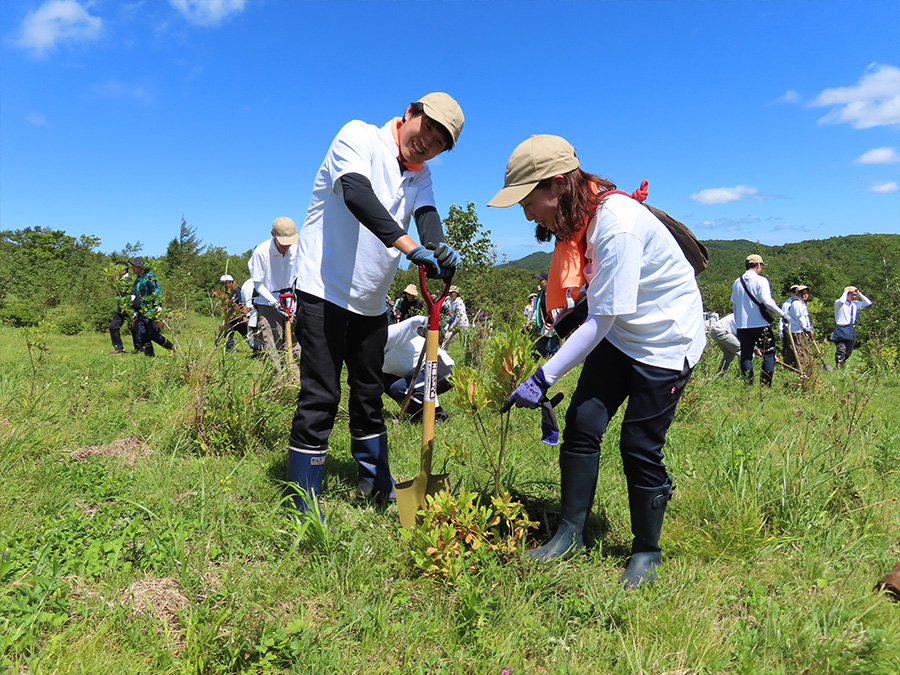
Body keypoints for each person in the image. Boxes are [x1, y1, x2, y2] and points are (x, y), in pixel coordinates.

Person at [490, 135, 705, 589]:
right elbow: (598, 310)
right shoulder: (581, 219)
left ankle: (647, 551)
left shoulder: (617, 224)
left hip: (665, 342)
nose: (527, 213)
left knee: (639, 446)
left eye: (527, 201)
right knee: (583, 424)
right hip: (622, 333)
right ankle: (570, 533)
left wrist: (542, 377)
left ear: (555, 185)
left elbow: (602, 320)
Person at [287, 93, 463, 514]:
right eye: (427, 129)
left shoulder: (420, 175)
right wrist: (409, 247)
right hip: (322, 290)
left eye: (439, 142)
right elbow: (355, 193)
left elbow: (427, 217)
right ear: (409, 114)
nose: (427, 143)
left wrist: (438, 249)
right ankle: (303, 502)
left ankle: (377, 484)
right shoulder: (359, 136)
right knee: (321, 395)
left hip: (370, 303)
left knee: (368, 394)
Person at [248, 217, 302, 377]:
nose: (286, 246)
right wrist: (275, 303)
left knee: (295, 343)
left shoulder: (296, 249)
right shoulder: (261, 252)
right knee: (273, 344)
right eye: (282, 242)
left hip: (290, 301)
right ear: (273, 234)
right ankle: (280, 382)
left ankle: (298, 380)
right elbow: (258, 284)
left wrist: (294, 302)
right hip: (268, 302)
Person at [383, 316, 453, 421]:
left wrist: (427, 322)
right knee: (381, 380)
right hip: (417, 376)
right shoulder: (364, 355)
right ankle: (419, 412)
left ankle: (438, 413)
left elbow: (414, 322)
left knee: (398, 388)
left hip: (441, 367)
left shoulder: (389, 334)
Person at [730, 254, 786, 385]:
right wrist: (783, 314)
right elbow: (767, 301)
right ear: (758, 265)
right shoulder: (761, 281)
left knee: (746, 354)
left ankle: (748, 383)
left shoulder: (737, 282)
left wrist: (738, 323)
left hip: (742, 326)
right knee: (769, 353)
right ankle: (765, 385)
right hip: (760, 323)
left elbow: (735, 305)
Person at [129, 257, 174, 357]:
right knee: (141, 335)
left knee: (153, 334)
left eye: (134, 266)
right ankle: (150, 356)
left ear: (141, 267)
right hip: (141, 311)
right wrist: (135, 310)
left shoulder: (149, 278)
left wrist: (158, 307)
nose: (132, 268)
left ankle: (171, 347)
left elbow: (156, 291)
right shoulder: (137, 280)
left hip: (150, 311)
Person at [832, 286, 873, 368]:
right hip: (841, 328)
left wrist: (860, 294)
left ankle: (842, 362)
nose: (854, 297)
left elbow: (868, 303)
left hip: (850, 328)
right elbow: (841, 301)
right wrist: (845, 292)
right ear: (847, 294)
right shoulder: (838, 303)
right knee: (841, 349)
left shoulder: (854, 304)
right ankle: (839, 364)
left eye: (855, 295)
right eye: (852, 295)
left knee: (848, 351)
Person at [528, 271, 560, 359]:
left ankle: (556, 367)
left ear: (546, 281)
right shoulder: (540, 295)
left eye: (540, 280)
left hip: (554, 324)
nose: (538, 282)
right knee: (540, 345)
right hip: (543, 325)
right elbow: (536, 310)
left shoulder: (555, 293)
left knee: (554, 348)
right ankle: (550, 361)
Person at [108, 261, 137, 355]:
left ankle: (139, 349)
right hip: (120, 309)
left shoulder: (129, 280)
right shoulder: (118, 281)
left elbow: (132, 295)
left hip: (129, 308)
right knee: (113, 327)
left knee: (134, 329)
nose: (115, 271)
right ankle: (119, 348)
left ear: (124, 270)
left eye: (117, 269)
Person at [782, 285, 813, 368]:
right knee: (799, 349)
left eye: (807, 293)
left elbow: (806, 317)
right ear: (798, 294)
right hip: (796, 331)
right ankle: (800, 366)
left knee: (798, 348)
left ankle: (795, 366)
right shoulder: (796, 304)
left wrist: (809, 327)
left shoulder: (801, 303)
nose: (806, 295)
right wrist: (805, 328)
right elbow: (800, 318)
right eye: (803, 293)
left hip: (800, 330)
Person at [220, 274, 250, 352]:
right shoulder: (230, 294)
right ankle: (230, 350)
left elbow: (242, 305)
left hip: (238, 317)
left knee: (246, 335)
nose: (224, 286)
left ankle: (257, 349)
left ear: (231, 282)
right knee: (228, 333)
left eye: (225, 283)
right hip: (231, 318)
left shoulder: (238, 291)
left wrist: (244, 316)